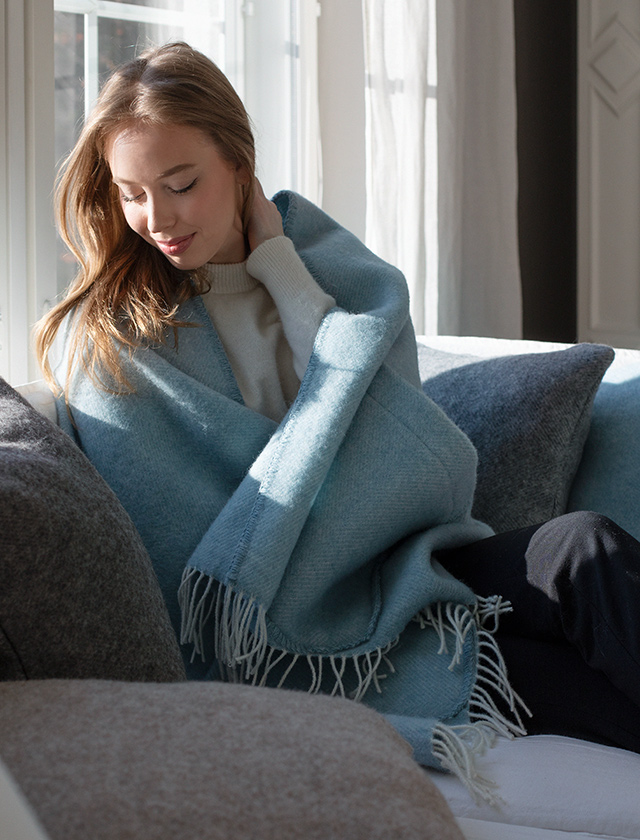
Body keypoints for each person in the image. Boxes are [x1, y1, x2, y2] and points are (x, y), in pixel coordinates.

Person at [35, 41, 640, 800]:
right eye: (130, 194)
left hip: (405, 567)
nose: (156, 218)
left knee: (583, 544)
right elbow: (186, 559)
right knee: (582, 689)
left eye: (181, 184)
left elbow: (400, 448)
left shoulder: (326, 271)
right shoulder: (116, 342)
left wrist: (281, 266)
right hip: (297, 629)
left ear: (239, 166)